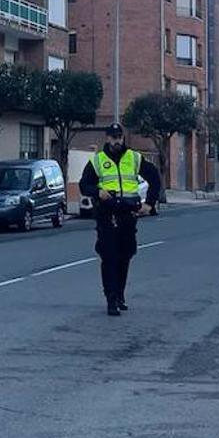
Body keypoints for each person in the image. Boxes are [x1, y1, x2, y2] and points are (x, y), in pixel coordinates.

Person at [79, 122, 162, 316]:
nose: (116, 141)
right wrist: (98, 192)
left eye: (119, 137)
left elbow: (154, 178)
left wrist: (149, 203)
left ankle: (119, 294)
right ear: (107, 138)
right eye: (112, 137)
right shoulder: (98, 161)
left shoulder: (133, 158)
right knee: (109, 257)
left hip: (128, 214)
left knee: (125, 256)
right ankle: (110, 298)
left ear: (122, 138)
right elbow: (84, 185)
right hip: (107, 214)